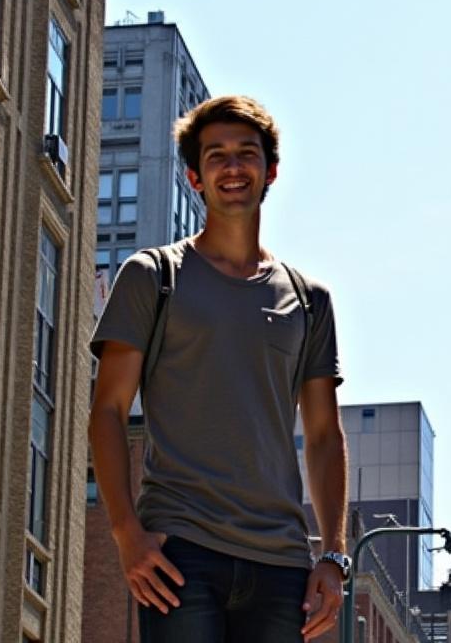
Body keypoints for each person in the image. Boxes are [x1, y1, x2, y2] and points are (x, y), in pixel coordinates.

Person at [89, 95, 350, 641]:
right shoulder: (152, 276)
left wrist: (334, 555)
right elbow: (109, 411)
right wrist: (126, 533)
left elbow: (325, 436)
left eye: (246, 154)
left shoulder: (309, 300)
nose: (233, 168)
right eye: (216, 156)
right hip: (180, 551)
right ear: (194, 177)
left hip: (281, 562)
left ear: (270, 170)